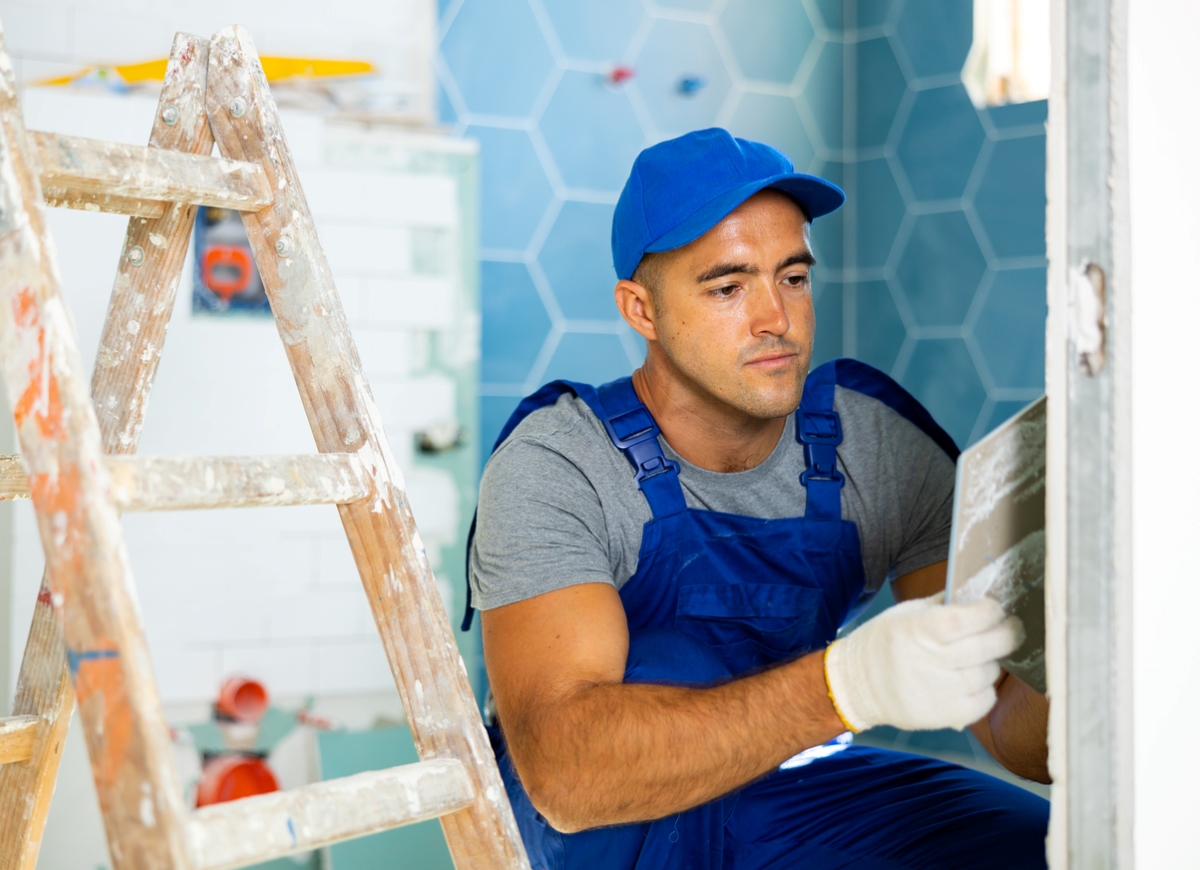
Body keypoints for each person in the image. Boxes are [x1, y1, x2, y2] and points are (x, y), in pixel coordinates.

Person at [463, 128, 1050, 870]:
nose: (776, 318)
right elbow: (566, 775)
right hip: (598, 833)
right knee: (669, 668)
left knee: (1035, 844)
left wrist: (1074, 622)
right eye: (729, 287)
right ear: (641, 310)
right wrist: (850, 683)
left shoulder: (874, 445)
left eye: (794, 278)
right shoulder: (560, 462)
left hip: (784, 786)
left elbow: (1015, 727)